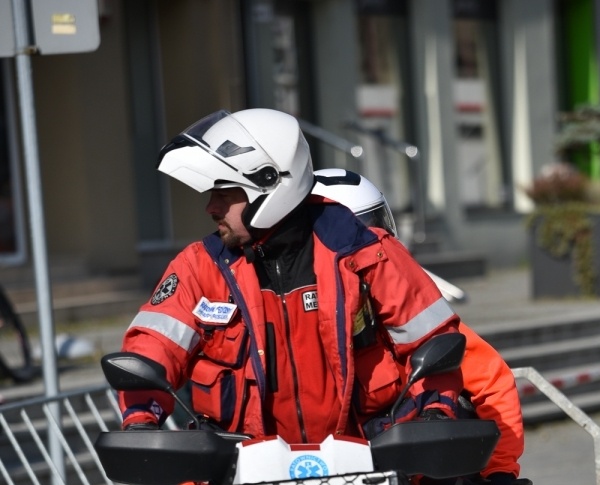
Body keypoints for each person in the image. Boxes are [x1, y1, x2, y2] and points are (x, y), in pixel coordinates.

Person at [119, 107, 465, 453]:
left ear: (270, 185)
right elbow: (153, 348)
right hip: (242, 471)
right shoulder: (200, 266)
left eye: (224, 193)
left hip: (368, 458)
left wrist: (435, 411)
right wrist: (139, 420)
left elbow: (432, 342)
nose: (211, 207)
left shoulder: (366, 252)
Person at [312, 168, 527, 485]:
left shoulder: (409, 306)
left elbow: (490, 382)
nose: (375, 250)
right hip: (327, 478)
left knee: (451, 478)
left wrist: (500, 481)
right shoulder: (285, 320)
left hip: (415, 465)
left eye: (375, 232)